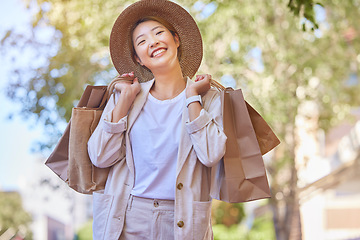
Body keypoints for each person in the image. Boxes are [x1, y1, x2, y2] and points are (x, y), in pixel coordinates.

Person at [87, 0, 227, 239]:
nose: (152, 42)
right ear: (139, 59)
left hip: (183, 218)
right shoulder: (125, 96)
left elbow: (211, 154)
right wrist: (124, 101)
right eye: (141, 41)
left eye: (159, 33)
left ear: (176, 39)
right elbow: (99, 156)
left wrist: (192, 97)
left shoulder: (209, 97)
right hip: (129, 216)